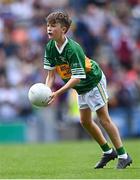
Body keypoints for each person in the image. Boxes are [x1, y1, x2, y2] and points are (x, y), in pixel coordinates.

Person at [43, 11, 132, 169]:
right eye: (48, 25)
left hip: (92, 81)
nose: (49, 28)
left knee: (103, 119)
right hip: (80, 87)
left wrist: (56, 93)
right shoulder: (50, 47)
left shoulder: (72, 48)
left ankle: (124, 155)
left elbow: (77, 77)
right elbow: (51, 75)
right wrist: (46, 92)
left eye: (53, 25)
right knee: (84, 121)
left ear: (63, 29)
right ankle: (107, 151)